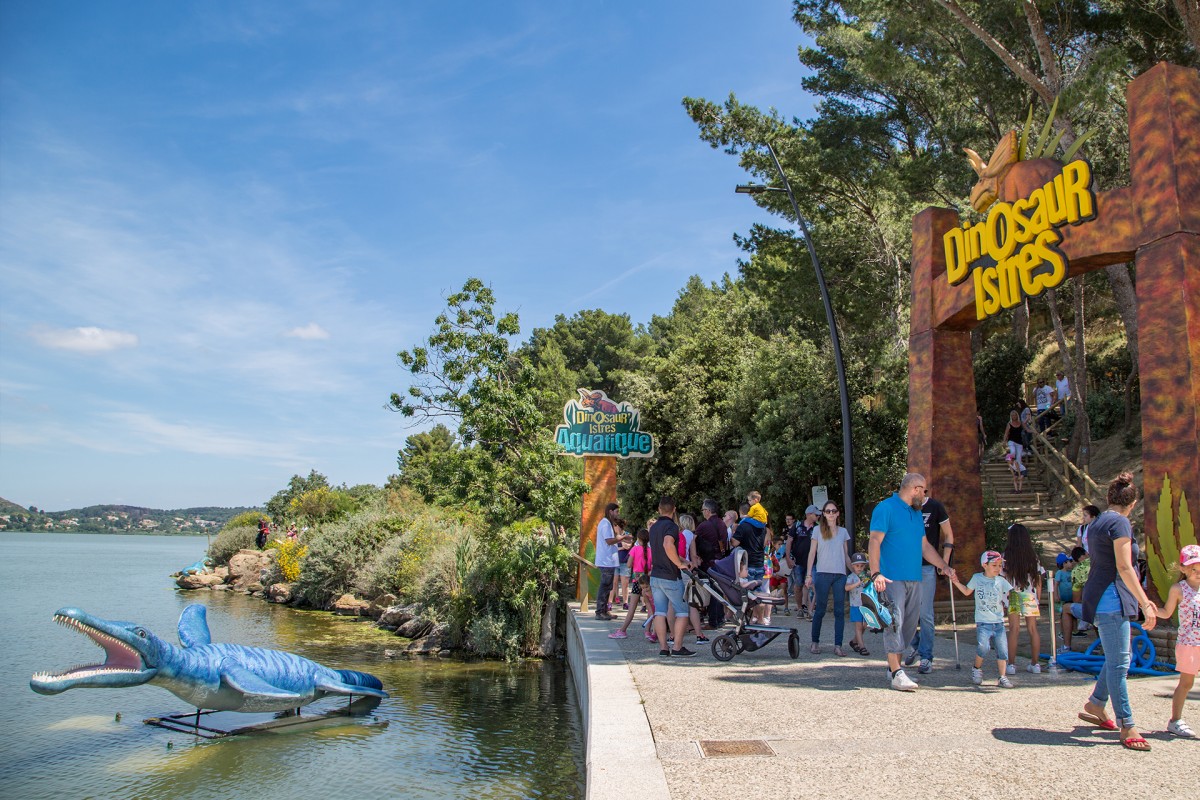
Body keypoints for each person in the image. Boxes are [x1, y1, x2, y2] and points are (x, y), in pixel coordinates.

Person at [1077, 472, 1158, 752]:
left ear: (1109, 498)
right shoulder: (1121, 522)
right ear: (1133, 503)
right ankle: (1127, 723)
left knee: (1116, 658)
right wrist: (1145, 602)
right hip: (1111, 598)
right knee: (1121, 662)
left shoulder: (1097, 522)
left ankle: (1096, 704)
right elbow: (1124, 567)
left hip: (1100, 595)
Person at [868, 472, 956, 691]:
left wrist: (943, 566)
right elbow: (874, 541)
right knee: (894, 622)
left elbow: (925, 546)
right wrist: (875, 573)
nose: (925, 495)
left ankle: (893, 667)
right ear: (914, 488)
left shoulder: (917, 514)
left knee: (908, 626)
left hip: (915, 577)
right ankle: (897, 672)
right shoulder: (886, 508)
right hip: (891, 578)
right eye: (923, 490)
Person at [1152, 544, 1200, 738]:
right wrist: (1150, 610)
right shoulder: (1178, 589)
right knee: (1186, 683)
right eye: (1192, 568)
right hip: (1189, 643)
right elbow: (1166, 612)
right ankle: (1175, 720)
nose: (1197, 572)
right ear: (1182, 568)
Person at [950, 551, 1015, 688]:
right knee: (983, 647)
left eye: (1000, 565)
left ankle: (1002, 676)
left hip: (998, 622)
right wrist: (956, 582)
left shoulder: (1001, 581)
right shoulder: (977, 578)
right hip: (983, 622)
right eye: (994, 565)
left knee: (1003, 650)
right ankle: (977, 668)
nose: (998, 568)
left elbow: (1012, 593)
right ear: (984, 565)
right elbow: (967, 591)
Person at [904, 493, 953, 674]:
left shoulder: (935, 506)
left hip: (926, 567)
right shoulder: (905, 507)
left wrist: (944, 561)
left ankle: (926, 656)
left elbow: (948, 534)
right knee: (903, 612)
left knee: (925, 614)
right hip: (906, 566)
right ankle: (915, 644)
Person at [648, 496, 697, 657]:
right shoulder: (672, 527)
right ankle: (677, 647)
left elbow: (663, 550)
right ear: (674, 509)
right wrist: (679, 564)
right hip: (670, 576)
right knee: (682, 612)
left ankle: (663, 647)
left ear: (659, 509)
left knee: (660, 612)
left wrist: (683, 560)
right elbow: (668, 545)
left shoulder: (653, 528)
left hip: (656, 576)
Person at [805, 501, 852, 655]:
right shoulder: (817, 530)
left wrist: (856, 572)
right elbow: (812, 553)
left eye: (833, 511)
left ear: (838, 513)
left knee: (839, 611)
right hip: (822, 573)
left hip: (840, 575)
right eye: (828, 511)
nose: (831, 514)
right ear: (823, 514)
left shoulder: (843, 532)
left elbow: (845, 555)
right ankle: (815, 642)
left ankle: (838, 645)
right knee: (820, 610)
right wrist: (809, 574)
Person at [1003, 523, 1045, 674]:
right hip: (1030, 594)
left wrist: (1002, 600)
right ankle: (1035, 664)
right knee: (1033, 629)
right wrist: (1038, 599)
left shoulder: (1006, 556)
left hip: (1012, 594)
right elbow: (1038, 580)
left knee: (1014, 629)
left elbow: (1003, 579)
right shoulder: (1033, 557)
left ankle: (1011, 664)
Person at [609, 529, 654, 641]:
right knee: (650, 608)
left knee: (632, 608)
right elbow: (652, 567)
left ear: (638, 539)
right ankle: (648, 631)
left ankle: (623, 630)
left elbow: (628, 564)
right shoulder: (651, 551)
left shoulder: (634, 549)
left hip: (636, 581)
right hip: (648, 581)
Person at [732, 495, 768, 624]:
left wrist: (732, 533)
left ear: (742, 513)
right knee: (758, 591)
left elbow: (735, 542)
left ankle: (753, 619)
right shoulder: (762, 527)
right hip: (759, 561)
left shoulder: (744, 526)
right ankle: (761, 618)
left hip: (748, 563)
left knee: (749, 594)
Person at [694, 499, 728, 629]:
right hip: (720, 561)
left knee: (710, 591)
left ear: (708, 511)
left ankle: (713, 621)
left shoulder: (704, 526)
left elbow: (693, 540)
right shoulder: (722, 523)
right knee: (718, 591)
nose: (702, 512)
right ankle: (720, 618)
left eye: (703, 510)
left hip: (708, 562)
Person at [787, 505, 818, 618]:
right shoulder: (797, 526)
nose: (818, 516)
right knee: (798, 585)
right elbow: (789, 541)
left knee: (814, 586)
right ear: (809, 514)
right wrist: (788, 558)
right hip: (798, 562)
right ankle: (800, 608)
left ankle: (810, 610)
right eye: (816, 514)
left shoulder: (817, 528)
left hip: (814, 562)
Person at [593, 502, 623, 621]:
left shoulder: (608, 523)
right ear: (610, 511)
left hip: (609, 561)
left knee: (608, 587)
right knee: (605, 587)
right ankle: (600, 611)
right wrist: (621, 538)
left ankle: (605, 610)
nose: (618, 514)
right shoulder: (605, 523)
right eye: (616, 512)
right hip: (606, 561)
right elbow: (609, 541)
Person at [845, 552, 870, 655]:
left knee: (865, 625)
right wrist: (858, 583)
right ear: (853, 566)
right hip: (855, 605)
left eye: (861, 566)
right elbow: (846, 587)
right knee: (859, 626)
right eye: (857, 566)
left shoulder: (866, 576)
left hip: (865, 604)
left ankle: (854, 641)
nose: (859, 568)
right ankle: (862, 646)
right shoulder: (851, 577)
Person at [1003, 409, 1026, 492]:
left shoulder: (1020, 423)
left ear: (1017, 415)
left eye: (1015, 415)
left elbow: (1026, 429)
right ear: (1011, 416)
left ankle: (1017, 471)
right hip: (1011, 441)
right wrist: (1004, 441)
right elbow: (1006, 433)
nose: (1014, 417)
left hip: (1019, 442)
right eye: (1012, 415)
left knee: (1019, 457)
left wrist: (1033, 431)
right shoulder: (1009, 424)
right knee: (1013, 452)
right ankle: (1010, 464)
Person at [613, 517, 631, 610]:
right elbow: (613, 547)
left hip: (625, 562)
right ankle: (610, 602)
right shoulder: (613, 536)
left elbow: (628, 546)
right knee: (614, 582)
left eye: (615, 526)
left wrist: (622, 543)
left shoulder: (627, 535)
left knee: (625, 583)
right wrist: (621, 547)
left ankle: (625, 602)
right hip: (615, 562)